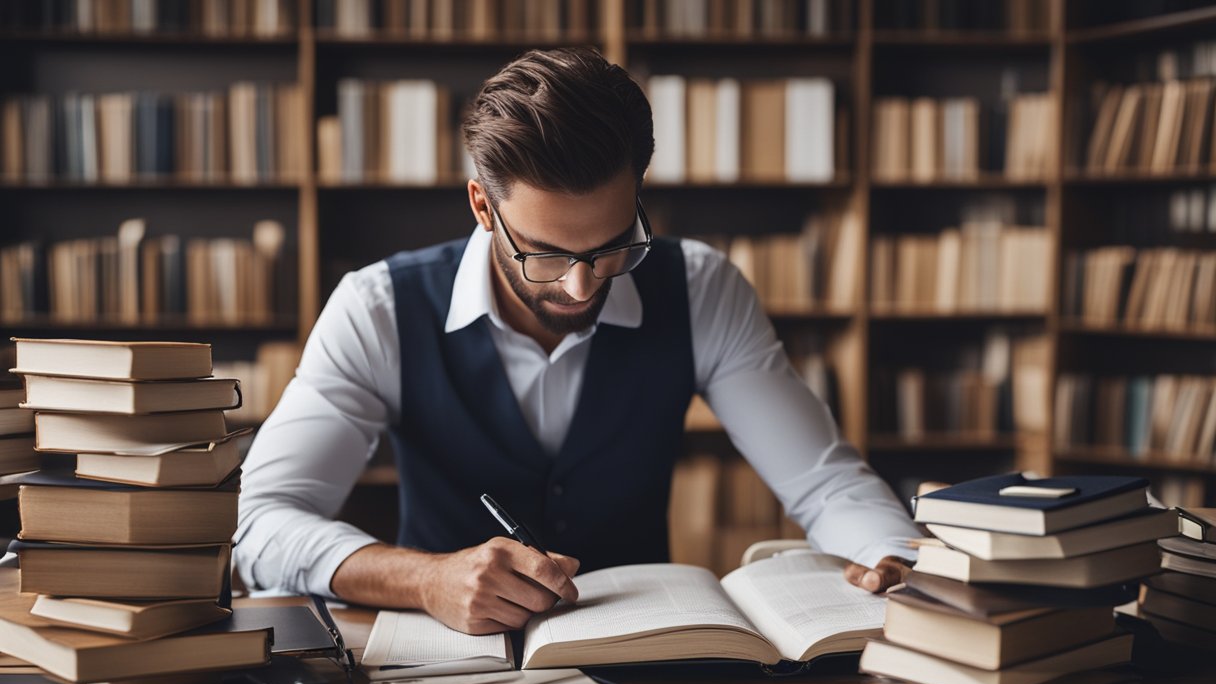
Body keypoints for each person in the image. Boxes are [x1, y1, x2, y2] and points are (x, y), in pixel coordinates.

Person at [234, 47, 919, 634]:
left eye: (612, 245)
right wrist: (426, 580)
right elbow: (260, 526)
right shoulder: (378, 307)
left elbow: (825, 485)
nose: (583, 287)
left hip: (650, 658)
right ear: (482, 207)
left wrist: (896, 559)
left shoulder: (702, 289)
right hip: (443, 668)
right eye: (546, 254)